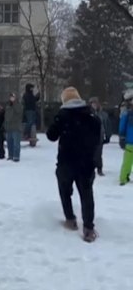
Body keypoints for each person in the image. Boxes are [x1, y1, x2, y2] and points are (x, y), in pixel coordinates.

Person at [46, 87, 101, 242]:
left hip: (66, 161)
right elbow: (98, 136)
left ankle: (70, 219)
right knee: (86, 194)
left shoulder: (62, 115)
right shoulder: (90, 115)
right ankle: (89, 228)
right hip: (86, 162)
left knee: (65, 191)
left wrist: (58, 120)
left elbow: (51, 135)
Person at [89, 97, 109, 177]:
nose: (94, 105)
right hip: (89, 137)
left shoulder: (103, 114)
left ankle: (99, 168)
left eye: (95, 103)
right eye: (92, 103)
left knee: (98, 154)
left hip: (99, 137)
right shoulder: (87, 113)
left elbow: (107, 125)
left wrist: (107, 136)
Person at [118, 95, 133, 186]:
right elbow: (122, 127)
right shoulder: (127, 114)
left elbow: (122, 127)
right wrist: (122, 137)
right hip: (129, 142)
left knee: (127, 161)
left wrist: (122, 137)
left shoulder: (127, 114)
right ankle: (123, 178)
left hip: (129, 141)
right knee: (127, 161)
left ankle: (124, 177)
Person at [4, 93, 24, 162]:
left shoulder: (19, 105)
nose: (11, 98)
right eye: (10, 97)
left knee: (16, 143)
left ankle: (16, 156)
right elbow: (6, 116)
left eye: (13, 97)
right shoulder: (7, 105)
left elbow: (19, 111)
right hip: (9, 127)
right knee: (9, 143)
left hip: (16, 127)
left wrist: (14, 103)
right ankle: (10, 155)